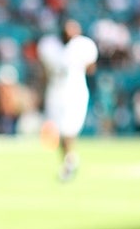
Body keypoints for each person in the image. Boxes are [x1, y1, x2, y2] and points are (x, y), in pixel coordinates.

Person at [39, 20, 98, 181]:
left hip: (75, 93)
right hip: (55, 93)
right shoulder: (49, 46)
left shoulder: (83, 46)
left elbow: (91, 68)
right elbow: (43, 71)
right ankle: (69, 160)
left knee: (68, 130)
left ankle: (69, 162)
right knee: (58, 132)